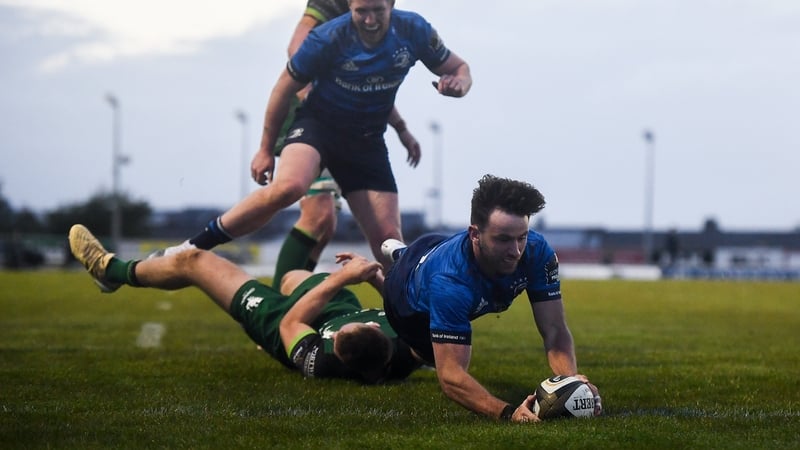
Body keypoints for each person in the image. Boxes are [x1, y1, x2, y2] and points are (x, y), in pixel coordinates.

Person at [161, 0, 471, 267]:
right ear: (348, 5)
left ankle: (408, 325)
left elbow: (460, 69)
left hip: (366, 138)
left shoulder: (414, 30)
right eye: (362, 11)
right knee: (289, 188)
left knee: (389, 242)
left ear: (392, 5)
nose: (370, 21)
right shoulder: (327, 36)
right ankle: (191, 248)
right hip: (318, 125)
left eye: (378, 10)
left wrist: (457, 87)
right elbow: (284, 86)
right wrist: (265, 148)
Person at [68, 224, 421, 384]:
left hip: (284, 325)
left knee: (193, 261)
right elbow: (411, 314)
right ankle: (319, 197)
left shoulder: (324, 361)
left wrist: (343, 278)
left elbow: (291, 324)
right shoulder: (409, 348)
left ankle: (111, 270)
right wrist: (374, 276)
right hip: (336, 307)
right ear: (377, 326)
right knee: (292, 277)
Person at [381, 174, 602, 423]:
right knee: (424, 355)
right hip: (405, 301)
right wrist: (508, 413)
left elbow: (554, 328)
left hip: (436, 248)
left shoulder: (537, 251)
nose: (516, 251)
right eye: (503, 239)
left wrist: (571, 382)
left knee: (430, 258)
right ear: (475, 234)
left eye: (522, 236)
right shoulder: (450, 283)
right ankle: (391, 264)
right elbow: (451, 378)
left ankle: (402, 251)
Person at [273, 0, 422, 281]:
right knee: (318, 214)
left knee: (325, 225)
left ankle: (293, 295)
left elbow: (369, 87)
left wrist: (401, 128)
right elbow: (297, 45)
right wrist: (315, 90)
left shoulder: (387, 22)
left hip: (350, 126)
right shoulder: (332, 4)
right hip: (318, 122)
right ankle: (278, 306)